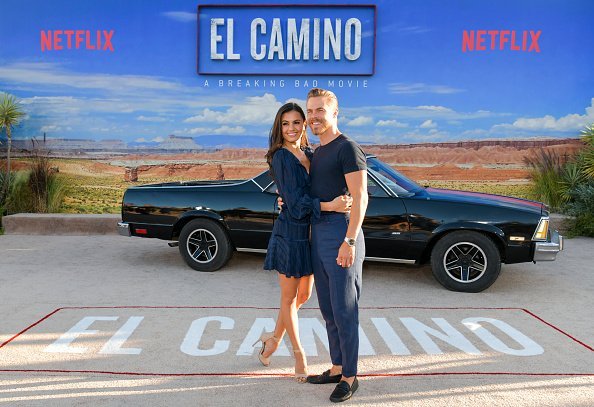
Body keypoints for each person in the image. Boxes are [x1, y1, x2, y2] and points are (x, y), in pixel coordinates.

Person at [255, 102, 352, 382]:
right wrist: (332, 207)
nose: (291, 128)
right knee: (288, 297)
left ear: (305, 125)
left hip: (313, 233)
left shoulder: (311, 153)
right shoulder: (281, 157)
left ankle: (272, 340)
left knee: (303, 297)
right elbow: (296, 204)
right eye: (285, 123)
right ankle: (299, 354)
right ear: (279, 127)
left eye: (297, 122)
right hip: (291, 233)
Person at [305, 88, 368, 403]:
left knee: (345, 310)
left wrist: (350, 241)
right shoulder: (318, 151)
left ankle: (350, 377)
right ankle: (336, 366)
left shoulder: (347, 148)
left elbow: (361, 197)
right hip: (319, 235)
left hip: (341, 235)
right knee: (328, 309)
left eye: (320, 110)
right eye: (310, 111)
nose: (314, 117)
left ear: (334, 113)